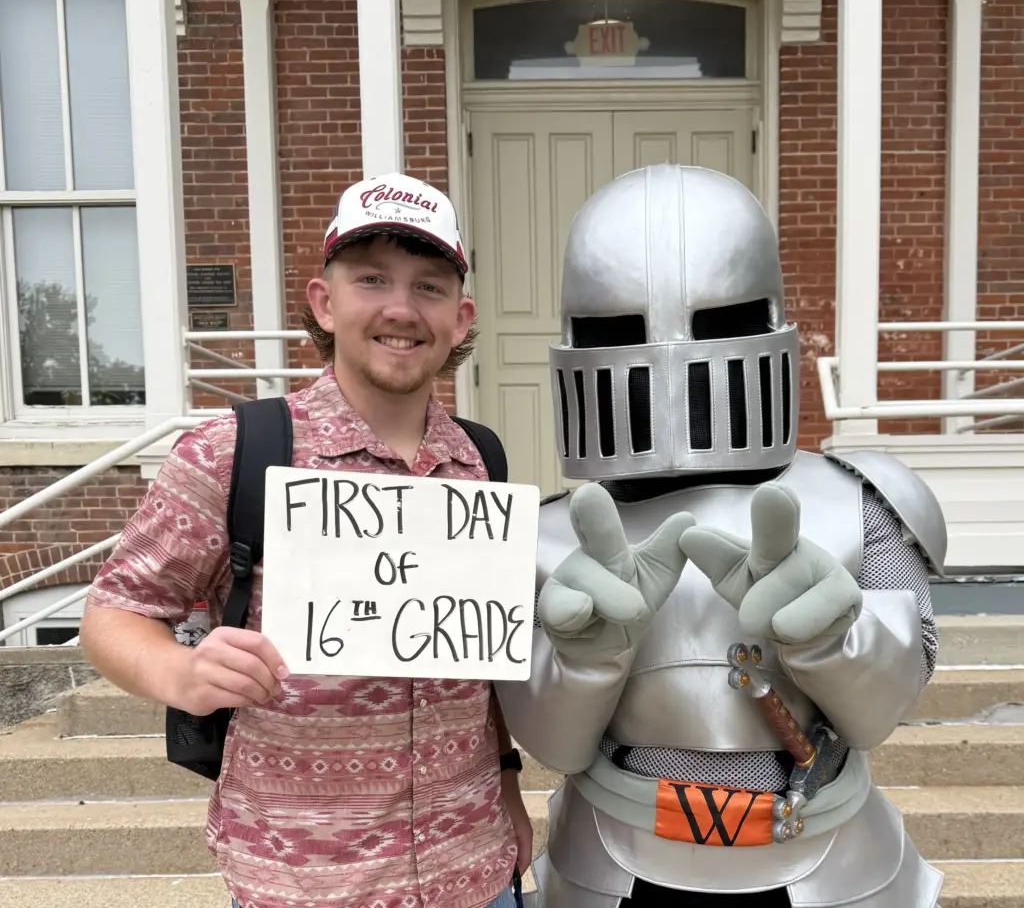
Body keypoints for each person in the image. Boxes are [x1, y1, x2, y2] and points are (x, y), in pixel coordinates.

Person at [495, 164, 946, 907]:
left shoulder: (859, 499)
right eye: (623, 332)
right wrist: (582, 664)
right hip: (610, 864)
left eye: (717, 325)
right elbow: (558, 746)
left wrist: (837, 644)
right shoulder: (550, 534)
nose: (672, 358)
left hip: (838, 863)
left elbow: (878, 716)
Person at [79, 172, 532, 908]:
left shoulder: (482, 463)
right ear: (324, 302)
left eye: (428, 287)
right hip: (301, 885)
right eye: (372, 280)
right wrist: (181, 674)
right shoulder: (236, 452)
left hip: (472, 871)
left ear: (460, 317)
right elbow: (113, 612)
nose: (400, 308)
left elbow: (478, 662)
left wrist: (508, 780)